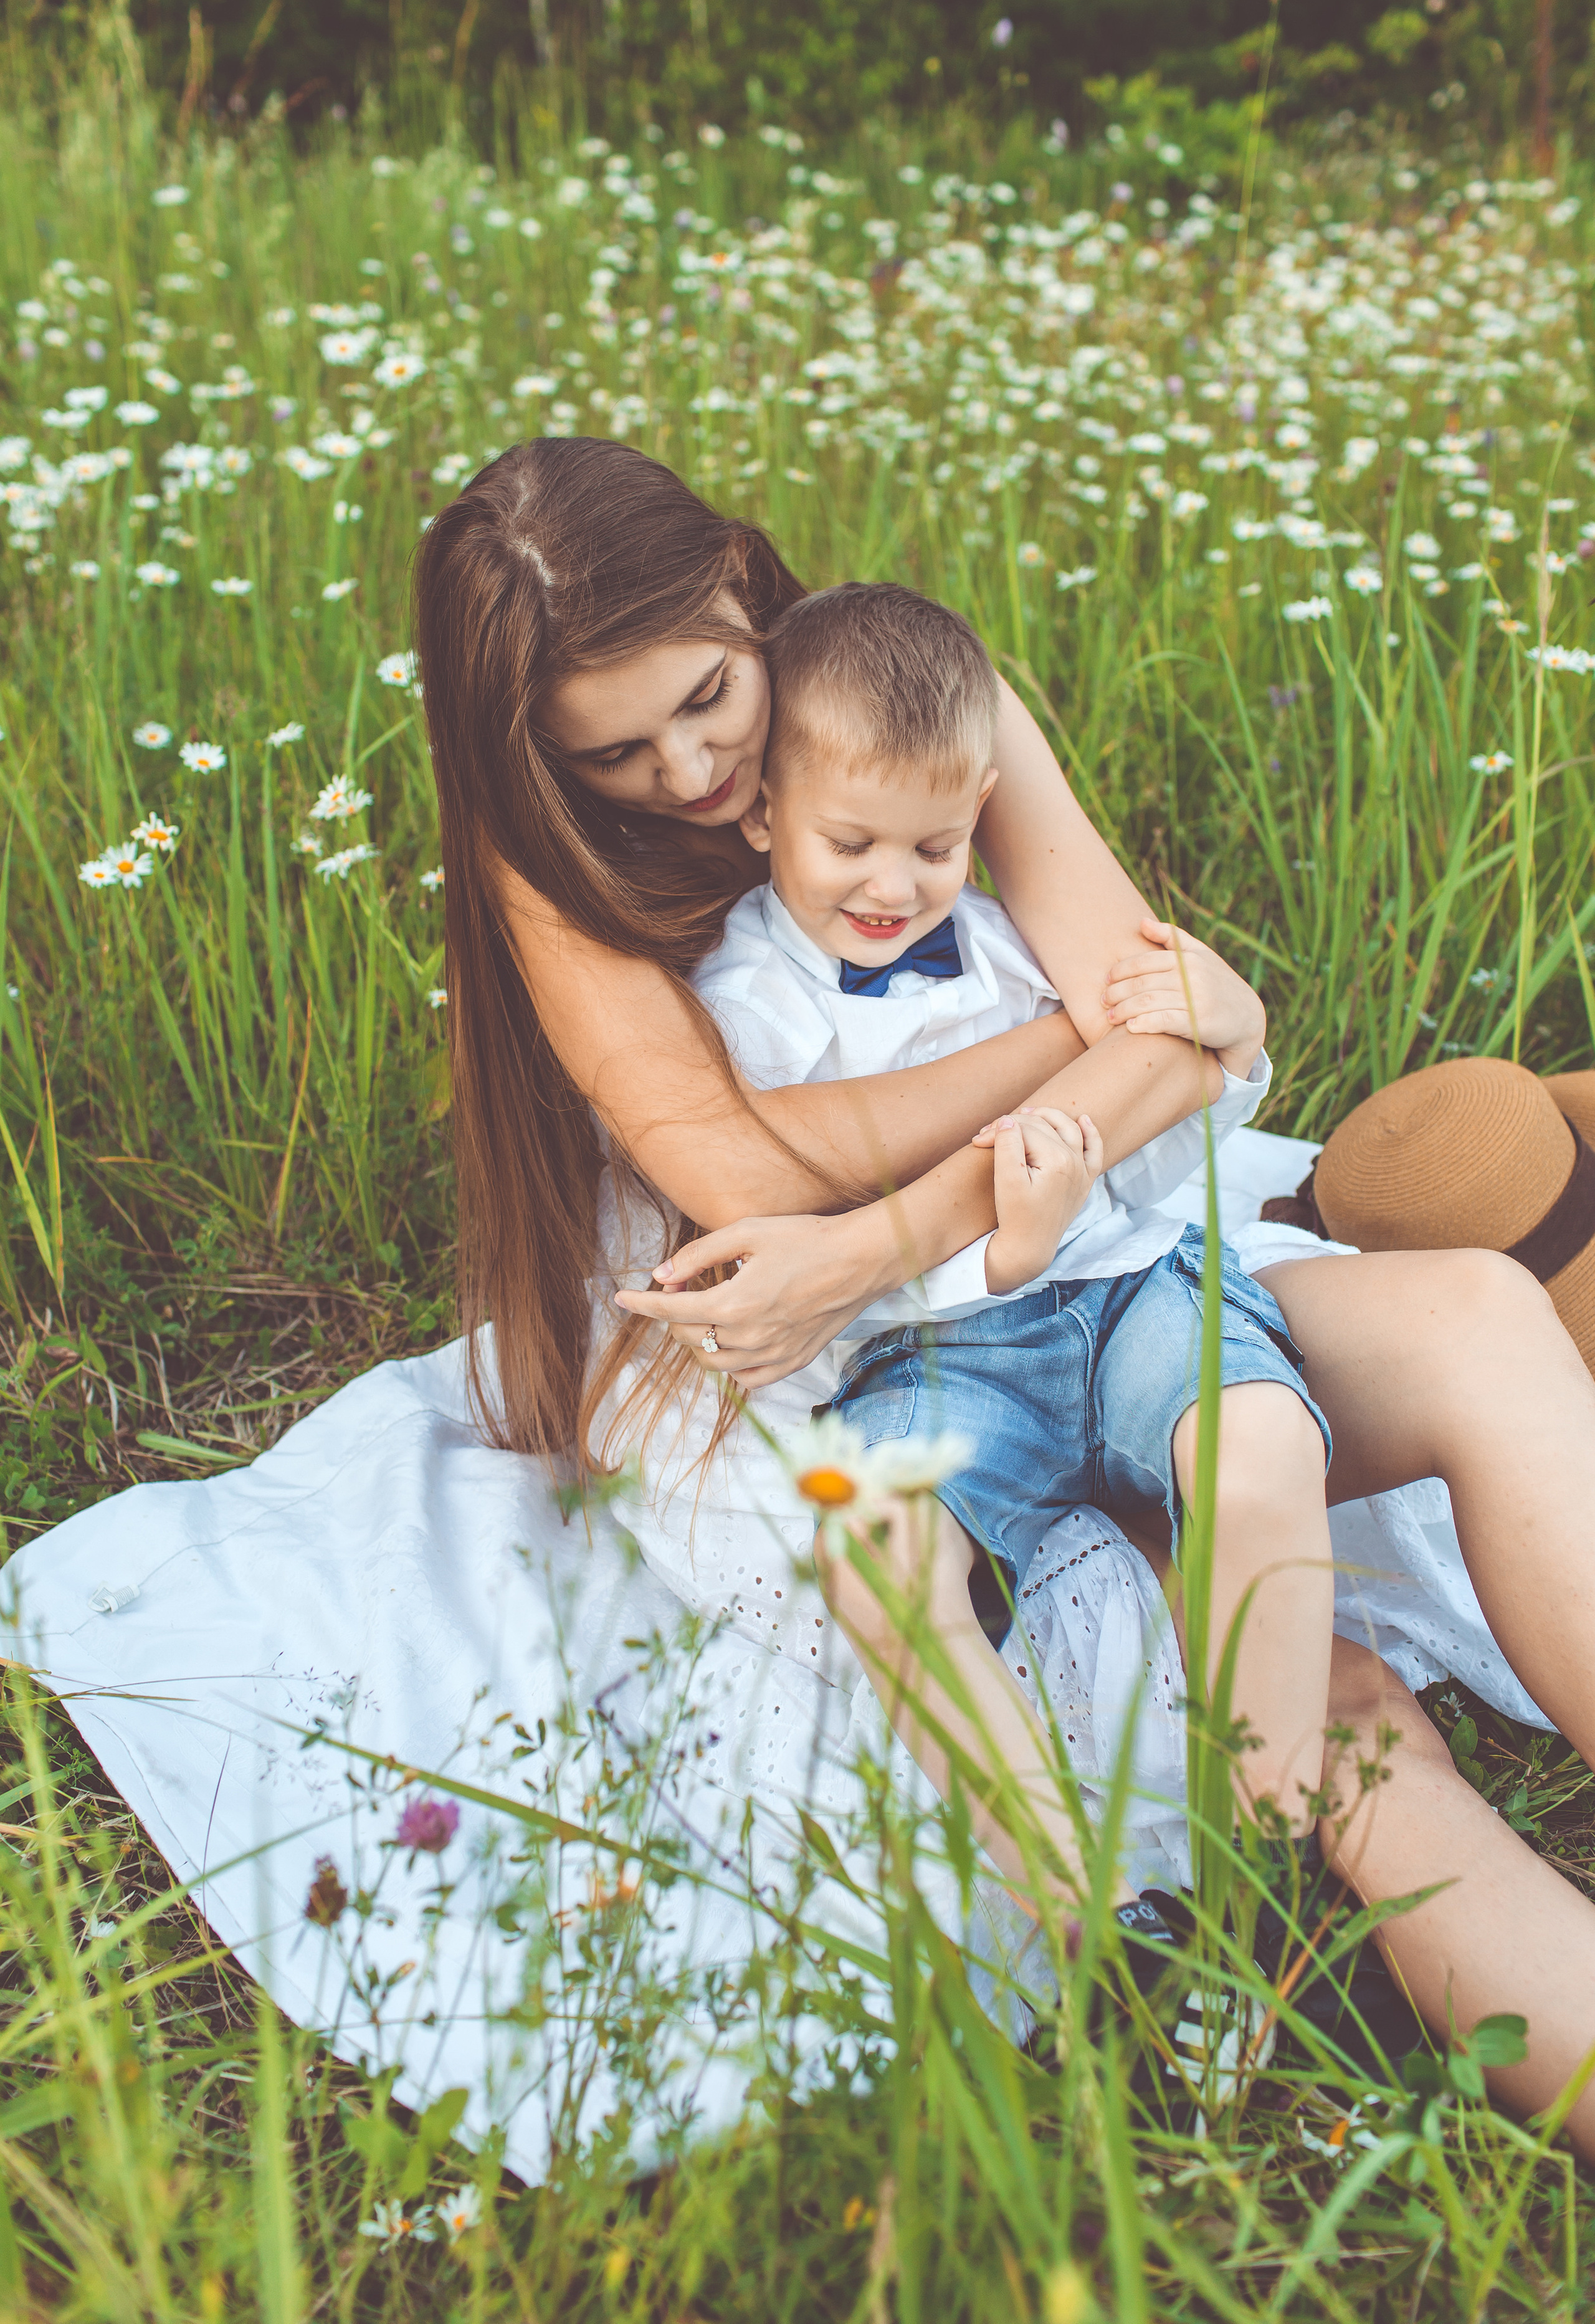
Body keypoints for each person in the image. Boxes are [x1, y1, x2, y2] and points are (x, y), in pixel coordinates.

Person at [416, 435, 1595, 2153]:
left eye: (708, 700)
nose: (687, 770)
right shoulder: (553, 861)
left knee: (1475, 1320)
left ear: (743, 591)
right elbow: (759, 1186)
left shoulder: (907, 680)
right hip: (824, 1366)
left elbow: (1178, 1043)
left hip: (1063, 1247)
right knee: (1338, 1701)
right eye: (617, 751)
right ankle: (1186, 1919)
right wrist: (1074, 1044)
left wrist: (976, 1166)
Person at [689, 580, 1336, 1908]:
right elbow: (810, 1268)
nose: (893, 886)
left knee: (1263, 1446)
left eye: (935, 847)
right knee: (873, 1555)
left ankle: (1265, 1865)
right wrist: (995, 1254)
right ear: (763, 813)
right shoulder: (741, 1017)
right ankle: (1089, 1914)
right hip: (931, 1355)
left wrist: (1232, 1043)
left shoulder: (1011, 952)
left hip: (1125, 1292)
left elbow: (1150, 1139)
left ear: (980, 811)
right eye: (850, 842)